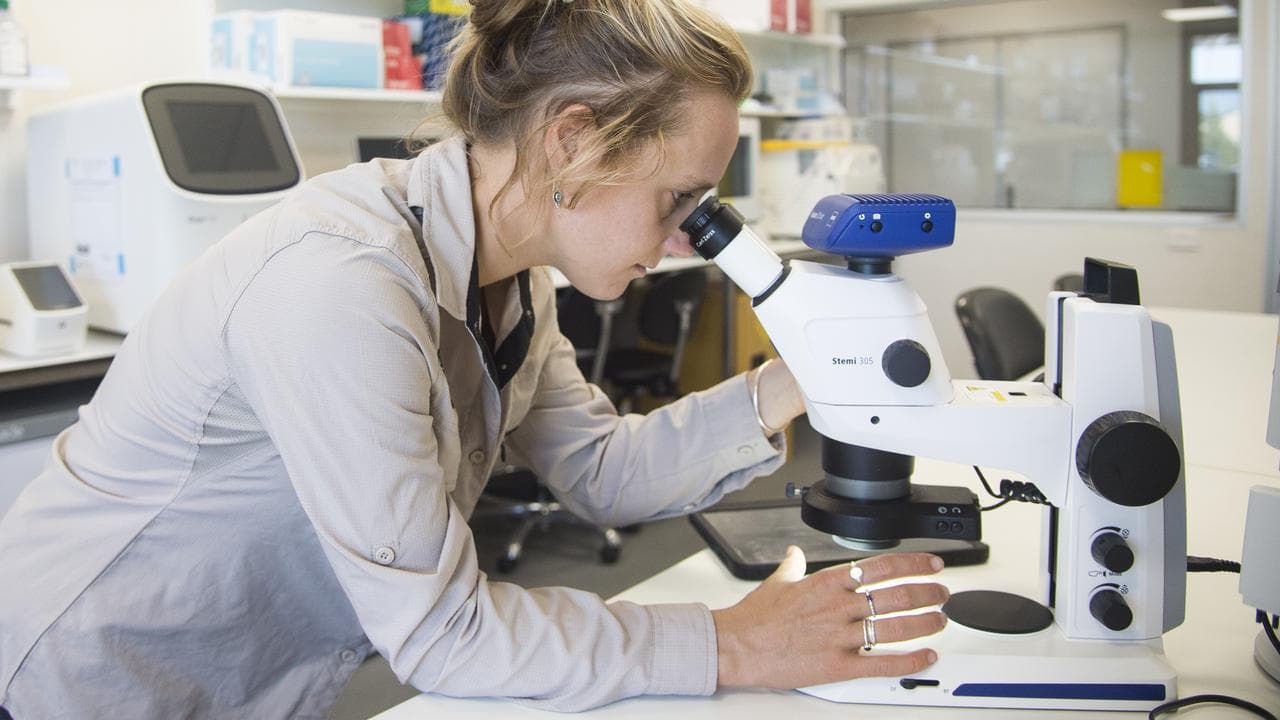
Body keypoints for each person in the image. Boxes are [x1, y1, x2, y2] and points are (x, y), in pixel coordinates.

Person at [0, 1, 948, 717]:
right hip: (88, 674)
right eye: (679, 199)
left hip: (250, 672)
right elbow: (446, 634)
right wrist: (730, 644)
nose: (690, 238)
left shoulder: (514, 283)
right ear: (572, 142)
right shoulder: (340, 285)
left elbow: (601, 472)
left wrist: (804, 376)